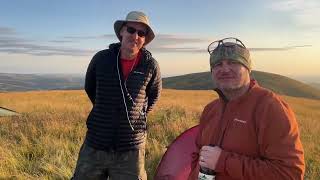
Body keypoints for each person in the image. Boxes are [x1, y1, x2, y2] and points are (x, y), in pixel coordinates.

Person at [188, 37, 305, 179]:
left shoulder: (270, 108)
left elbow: (288, 174)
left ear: (248, 68)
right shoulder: (210, 109)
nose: (225, 69)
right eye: (218, 64)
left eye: (233, 62)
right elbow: (199, 153)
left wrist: (224, 161)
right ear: (212, 72)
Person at [72, 11, 162, 180]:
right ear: (121, 31)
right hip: (96, 143)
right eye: (131, 30)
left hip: (131, 148)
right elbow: (90, 87)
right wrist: (106, 110)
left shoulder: (151, 65)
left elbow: (153, 96)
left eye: (141, 33)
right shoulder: (101, 59)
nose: (135, 36)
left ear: (144, 39)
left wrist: (136, 114)